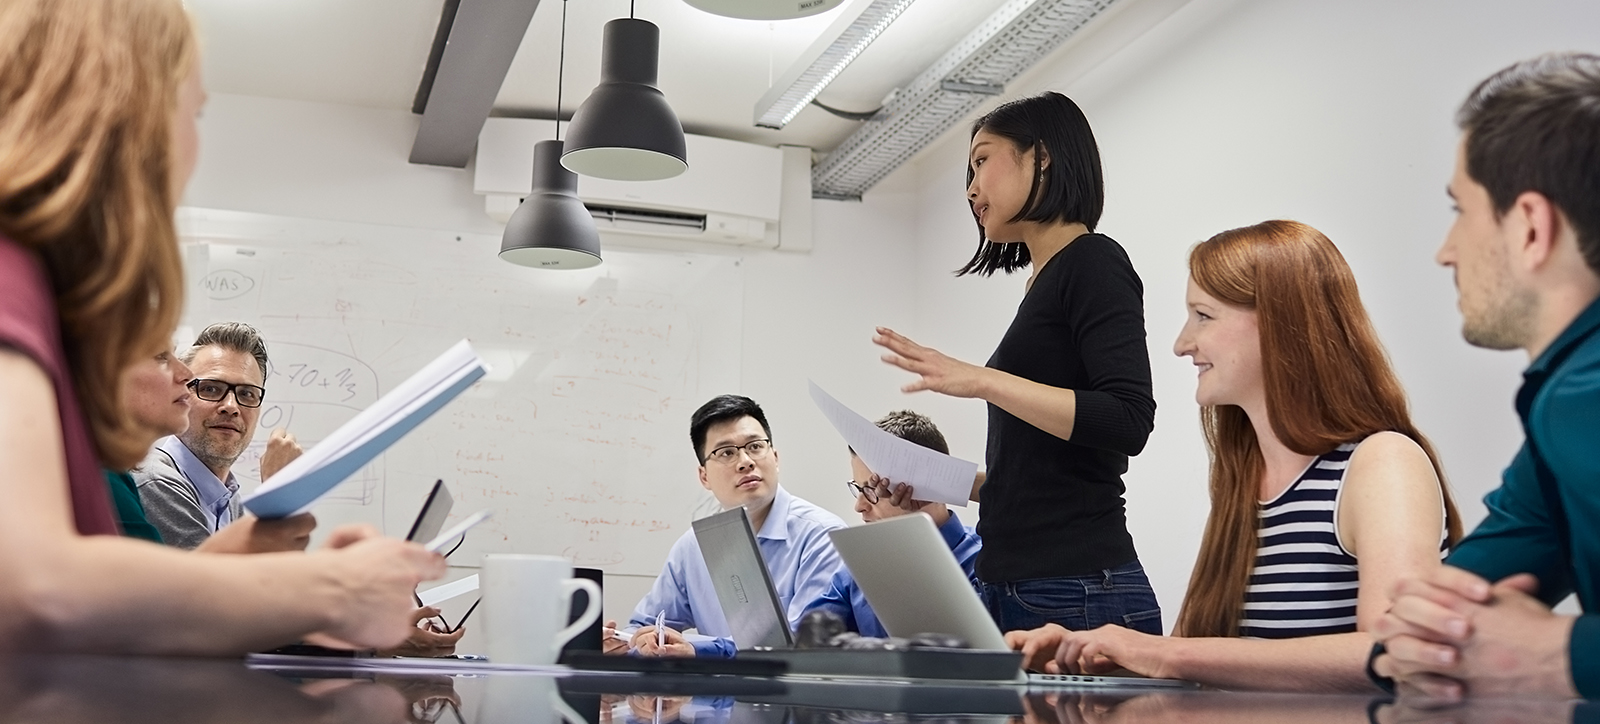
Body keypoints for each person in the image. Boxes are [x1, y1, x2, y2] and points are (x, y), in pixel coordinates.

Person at [0, 0, 443, 653]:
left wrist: (249, 552)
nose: (193, 143)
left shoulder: (33, 288)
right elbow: (36, 588)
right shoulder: (12, 279)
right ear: (126, 111)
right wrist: (329, 590)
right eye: (193, 111)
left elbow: (111, 613)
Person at [1006, 220, 1462, 691]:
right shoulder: (1244, 484)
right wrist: (1090, 653)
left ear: (1282, 321)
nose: (1183, 344)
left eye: (1203, 315)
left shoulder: (1382, 463)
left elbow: (1395, 652)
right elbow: (1198, 661)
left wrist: (1165, 652)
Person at [872, 92, 1161, 634]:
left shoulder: (1094, 261)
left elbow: (1127, 419)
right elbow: (1040, 476)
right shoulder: (1043, 282)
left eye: (982, 160)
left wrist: (983, 381)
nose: (970, 187)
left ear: (1043, 155)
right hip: (1020, 584)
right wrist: (938, 481)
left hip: (1075, 587)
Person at [1371, 52, 1600, 701]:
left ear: (1530, 226)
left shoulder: (1586, 393)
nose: (1445, 250)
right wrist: (1415, 636)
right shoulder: (1560, 409)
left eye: (1459, 209)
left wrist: (1564, 652)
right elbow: (1422, 625)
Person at [603, 395, 846, 657]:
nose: (745, 461)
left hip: (796, 695)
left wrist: (697, 650)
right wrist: (627, 645)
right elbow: (643, 626)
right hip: (719, 696)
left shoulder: (823, 534)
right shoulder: (693, 547)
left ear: (775, 458)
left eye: (755, 446)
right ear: (704, 476)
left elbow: (804, 646)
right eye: (727, 452)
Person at [802, 410, 981, 638]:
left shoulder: (986, 565)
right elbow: (810, 645)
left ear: (925, 486)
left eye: (872, 490)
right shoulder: (858, 568)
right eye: (858, 488)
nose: (859, 506)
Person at [134, 321, 302, 549]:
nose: (231, 406)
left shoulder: (228, 498)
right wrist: (276, 498)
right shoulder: (157, 483)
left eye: (247, 393)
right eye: (211, 388)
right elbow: (225, 584)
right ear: (184, 394)